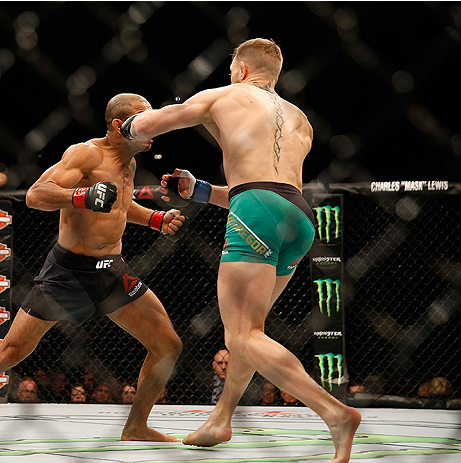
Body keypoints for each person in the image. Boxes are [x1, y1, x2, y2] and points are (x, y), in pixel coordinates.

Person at [122, 38, 361, 461]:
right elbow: (263, 184)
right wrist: (198, 191)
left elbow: (150, 126)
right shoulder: (300, 119)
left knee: (243, 334)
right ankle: (221, 419)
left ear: (242, 70)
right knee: (250, 333)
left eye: (232, 69)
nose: (230, 75)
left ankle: (334, 412)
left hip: (256, 210)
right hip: (297, 216)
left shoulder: (226, 94)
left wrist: (126, 126)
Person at [0, 93, 185, 442]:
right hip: (68, 273)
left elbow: (117, 205)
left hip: (111, 269)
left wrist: (155, 219)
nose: (155, 126)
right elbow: (36, 194)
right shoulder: (86, 154)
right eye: (145, 120)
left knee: (168, 345)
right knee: (11, 351)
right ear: (120, 126)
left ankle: (136, 427)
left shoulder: (128, 163)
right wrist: (81, 196)